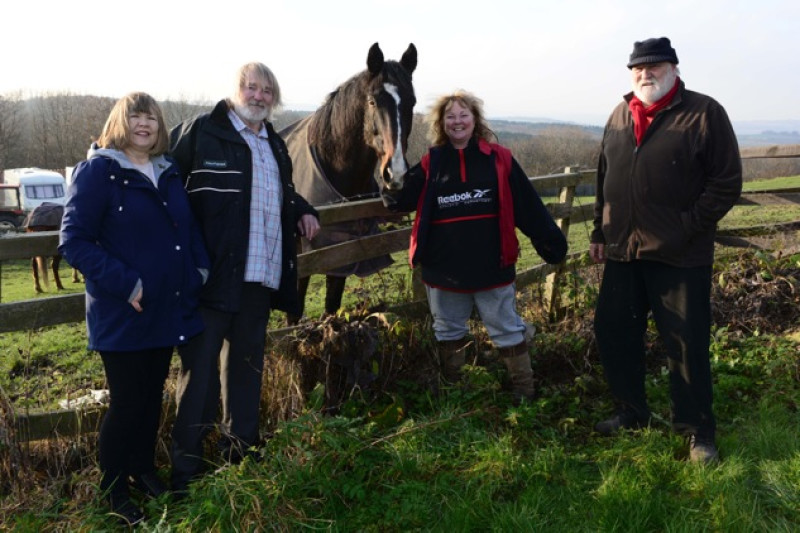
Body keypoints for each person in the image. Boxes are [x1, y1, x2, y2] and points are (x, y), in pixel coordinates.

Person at [169, 62, 321, 492]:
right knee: (198, 378)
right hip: (211, 281)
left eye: (266, 90)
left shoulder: (273, 143)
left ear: (274, 98)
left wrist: (303, 209)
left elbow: (277, 192)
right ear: (236, 90)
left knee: (245, 372)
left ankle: (240, 460)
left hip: (258, 279)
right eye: (250, 88)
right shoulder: (202, 132)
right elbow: (163, 183)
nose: (258, 96)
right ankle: (186, 475)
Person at [589, 37, 742, 463]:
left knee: (686, 343)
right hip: (623, 252)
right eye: (638, 68)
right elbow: (605, 178)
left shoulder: (704, 113)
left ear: (674, 68)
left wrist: (685, 229)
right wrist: (599, 234)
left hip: (680, 255)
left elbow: (726, 182)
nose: (645, 74)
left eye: (654, 66)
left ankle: (698, 432)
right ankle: (632, 412)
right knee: (614, 332)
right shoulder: (620, 114)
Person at [59, 92, 209, 525]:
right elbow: (74, 242)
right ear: (120, 123)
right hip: (124, 311)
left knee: (150, 398)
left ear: (160, 127)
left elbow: (188, 226)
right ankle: (111, 490)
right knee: (127, 403)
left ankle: (142, 470)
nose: (145, 124)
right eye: (136, 117)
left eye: (152, 118)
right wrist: (128, 283)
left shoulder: (167, 170)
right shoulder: (99, 172)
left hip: (167, 307)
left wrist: (198, 268)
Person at [381, 90, 568, 403]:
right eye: (450, 117)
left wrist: (549, 241)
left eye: (463, 115)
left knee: (506, 329)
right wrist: (391, 181)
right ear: (441, 124)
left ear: (475, 120)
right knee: (448, 331)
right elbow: (400, 199)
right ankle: (457, 394)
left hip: (491, 266)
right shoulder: (432, 162)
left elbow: (527, 205)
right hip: (444, 270)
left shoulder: (500, 159)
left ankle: (524, 393)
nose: (457, 122)